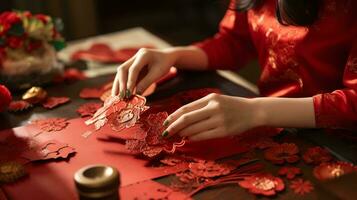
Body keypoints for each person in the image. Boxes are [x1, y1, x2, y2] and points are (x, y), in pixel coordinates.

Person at [111, 0, 357, 141]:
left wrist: (256, 111)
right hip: (272, 126)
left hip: (338, 143)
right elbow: (235, 42)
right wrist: (173, 56)